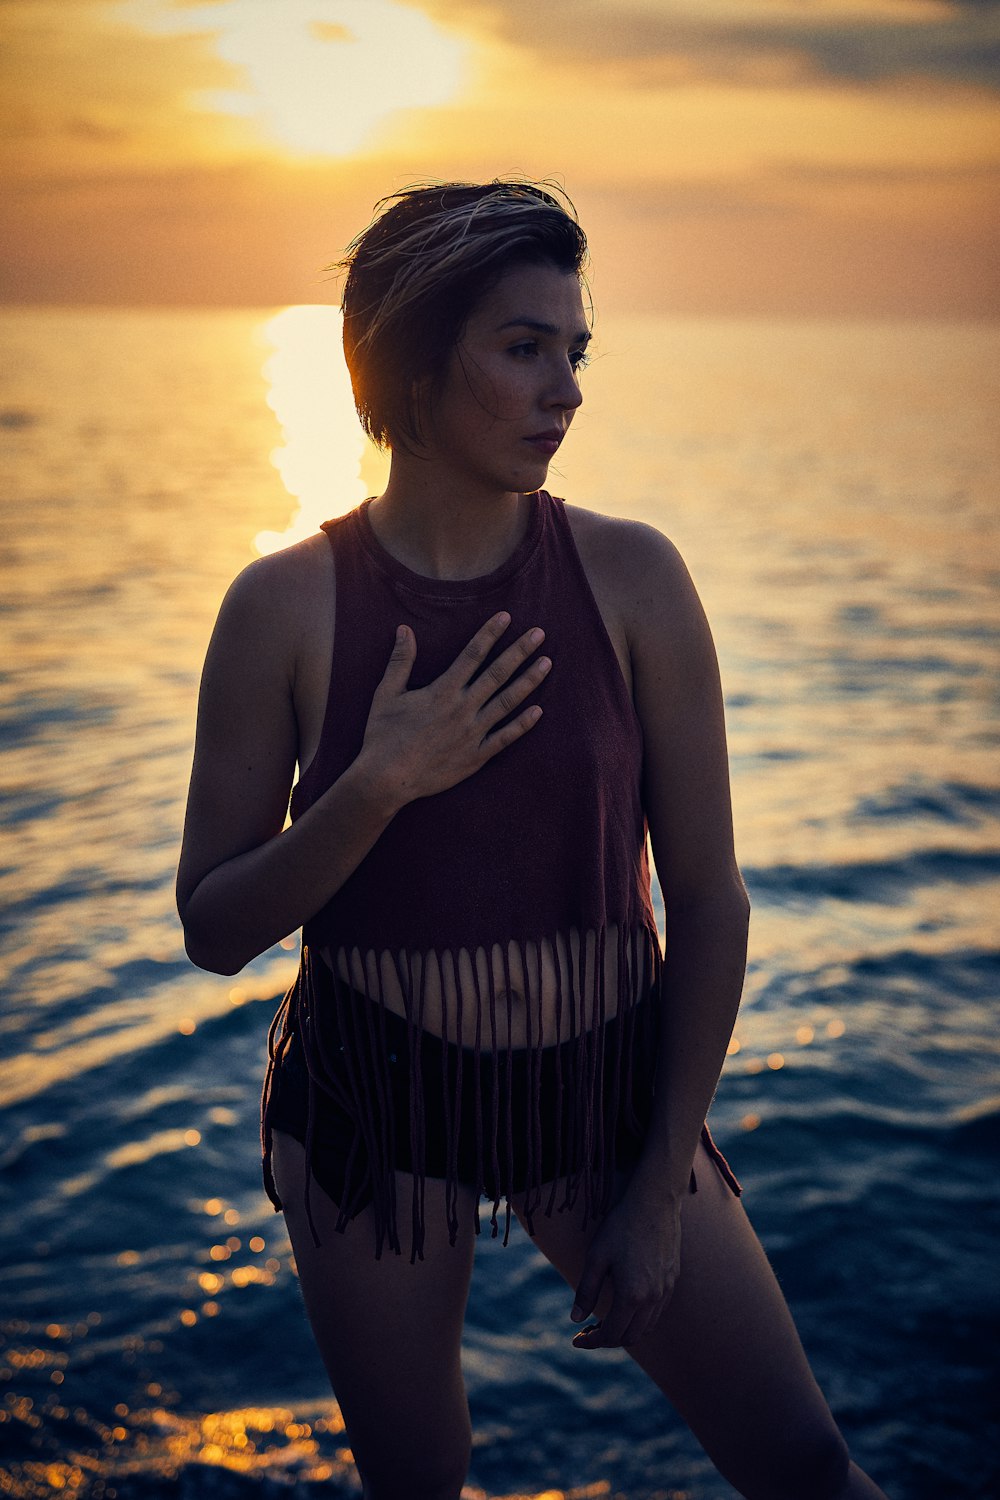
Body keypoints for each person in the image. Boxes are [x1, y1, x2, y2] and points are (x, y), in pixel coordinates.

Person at [177, 181, 889, 1500]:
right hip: (376, 1110)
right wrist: (379, 782)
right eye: (524, 347)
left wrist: (660, 1182)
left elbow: (713, 904)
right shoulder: (283, 609)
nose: (564, 388)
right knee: (423, 1481)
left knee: (803, 1464)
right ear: (412, 356)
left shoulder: (633, 580)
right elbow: (213, 929)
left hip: (610, 1097)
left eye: (576, 351)